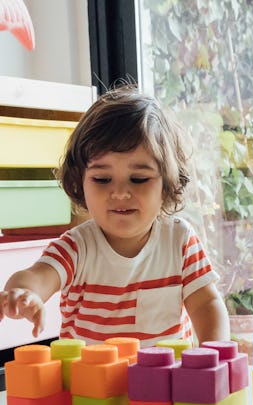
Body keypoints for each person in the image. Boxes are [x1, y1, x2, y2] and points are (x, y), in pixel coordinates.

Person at [0, 86, 229, 346]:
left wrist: (215, 354)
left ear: (166, 184)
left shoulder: (180, 240)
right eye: (102, 179)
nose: (120, 193)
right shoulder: (76, 247)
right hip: (91, 385)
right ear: (80, 182)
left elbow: (206, 303)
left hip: (167, 382)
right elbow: (39, 275)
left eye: (139, 179)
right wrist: (24, 292)